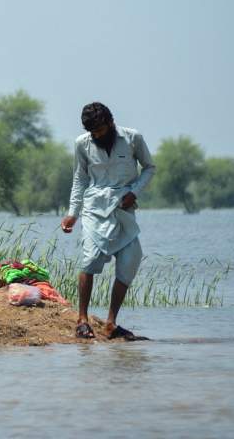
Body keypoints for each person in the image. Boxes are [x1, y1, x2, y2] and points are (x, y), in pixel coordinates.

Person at [61, 102, 155, 340]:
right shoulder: (82, 143)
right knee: (90, 259)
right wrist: (72, 213)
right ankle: (82, 320)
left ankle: (111, 323)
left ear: (111, 123)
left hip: (124, 208)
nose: (97, 136)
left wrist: (134, 192)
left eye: (100, 130)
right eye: (93, 132)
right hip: (94, 209)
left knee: (130, 260)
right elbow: (80, 178)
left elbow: (149, 168)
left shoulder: (132, 138)